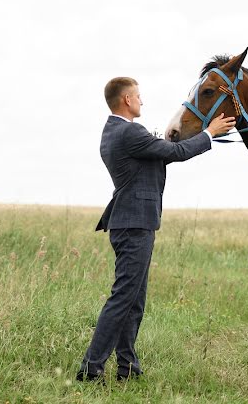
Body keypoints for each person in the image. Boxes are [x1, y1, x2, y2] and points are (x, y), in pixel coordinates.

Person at [77, 77, 235, 382]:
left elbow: (161, 151)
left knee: (134, 300)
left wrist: (175, 138)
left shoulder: (115, 132)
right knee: (123, 299)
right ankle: (90, 368)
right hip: (134, 224)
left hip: (133, 222)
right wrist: (209, 133)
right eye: (137, 96)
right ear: (126, 100)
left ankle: (128, 368)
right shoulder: (129, 132)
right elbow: (176, 153)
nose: (141, 100)